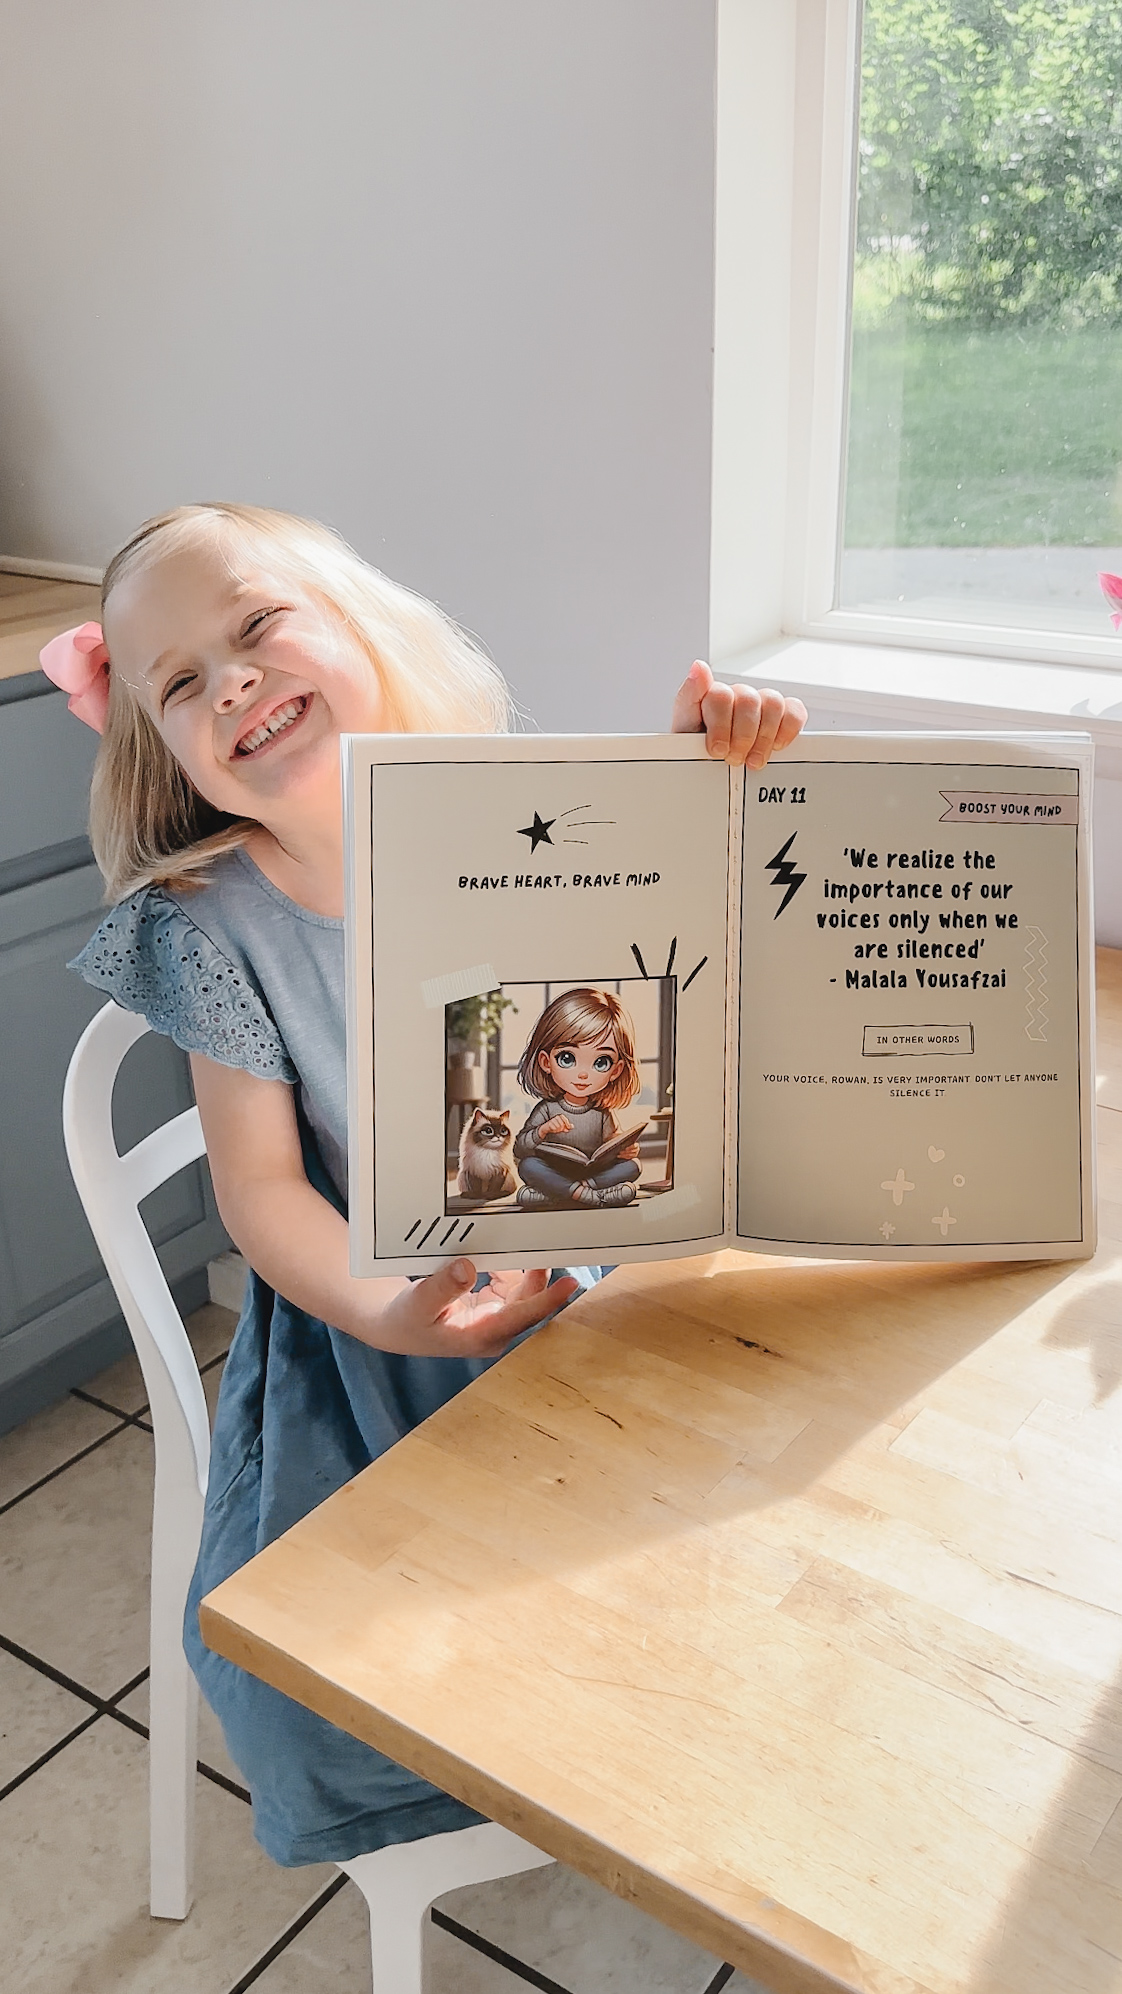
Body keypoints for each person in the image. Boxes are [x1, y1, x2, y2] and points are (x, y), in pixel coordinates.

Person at [43, 501, 807, 1867]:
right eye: (177, 681)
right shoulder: (211, 922)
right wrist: (386, 1305)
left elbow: (660, 1019)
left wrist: (706, 780)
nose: (229, 679)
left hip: (606, 1277)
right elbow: (264, 1191)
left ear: (362, 626)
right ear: (167, 753)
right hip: (390, 1335)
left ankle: (657, 1756)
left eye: (257, 624)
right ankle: (502, 1768)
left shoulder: (526, 817)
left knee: (765, 1528)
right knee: (391, 1627)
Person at [514, 987, 644, 1209]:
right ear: (546, 1062)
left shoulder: (602, 1112)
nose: (583, 1074)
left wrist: (624, 1150)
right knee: (528, 1165)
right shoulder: (547, 1108)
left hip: (592, 1173)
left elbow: (611, 1143)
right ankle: (593, 1195)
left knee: (633, 1166)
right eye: (567, 1058)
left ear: (616, 1070)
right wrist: (542, 1131)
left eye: (601, 1062)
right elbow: (520, 1148)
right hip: (555, 1169)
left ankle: (563, 1193)